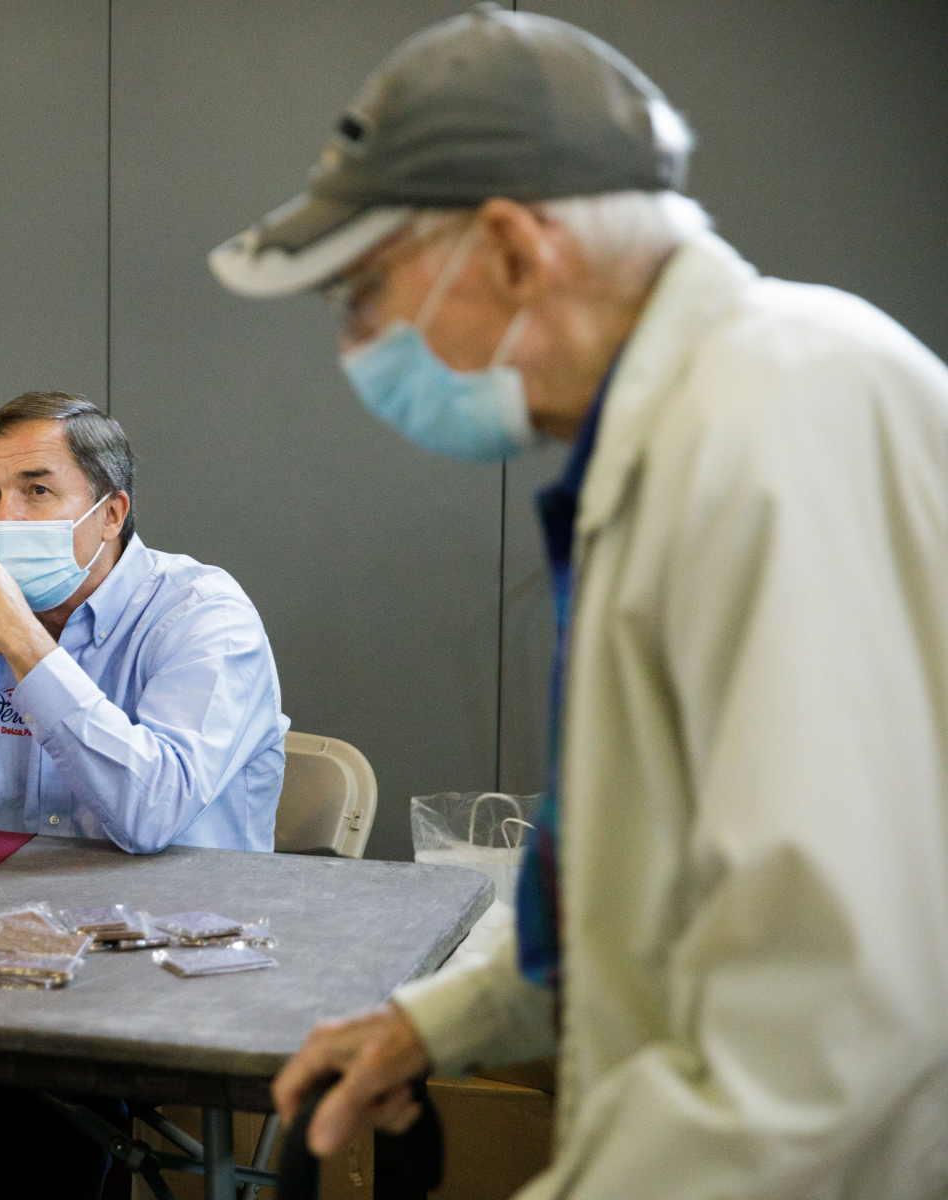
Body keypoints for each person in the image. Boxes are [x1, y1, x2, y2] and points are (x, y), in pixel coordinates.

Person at [211, 9, 948, 1198]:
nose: (355, 343)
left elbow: (819, 1028)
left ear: (513, 250)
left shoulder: (777, 421)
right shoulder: (674, 439)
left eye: (362, 291)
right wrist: (435, 1023)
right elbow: (626, 890)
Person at [0, 391, 289, 855]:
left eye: (37, 490)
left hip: (183, 901)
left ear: (111, 515)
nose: (6, 517)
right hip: (3, 898)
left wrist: (25, 645)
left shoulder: (208, 617)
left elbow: (155, 812)